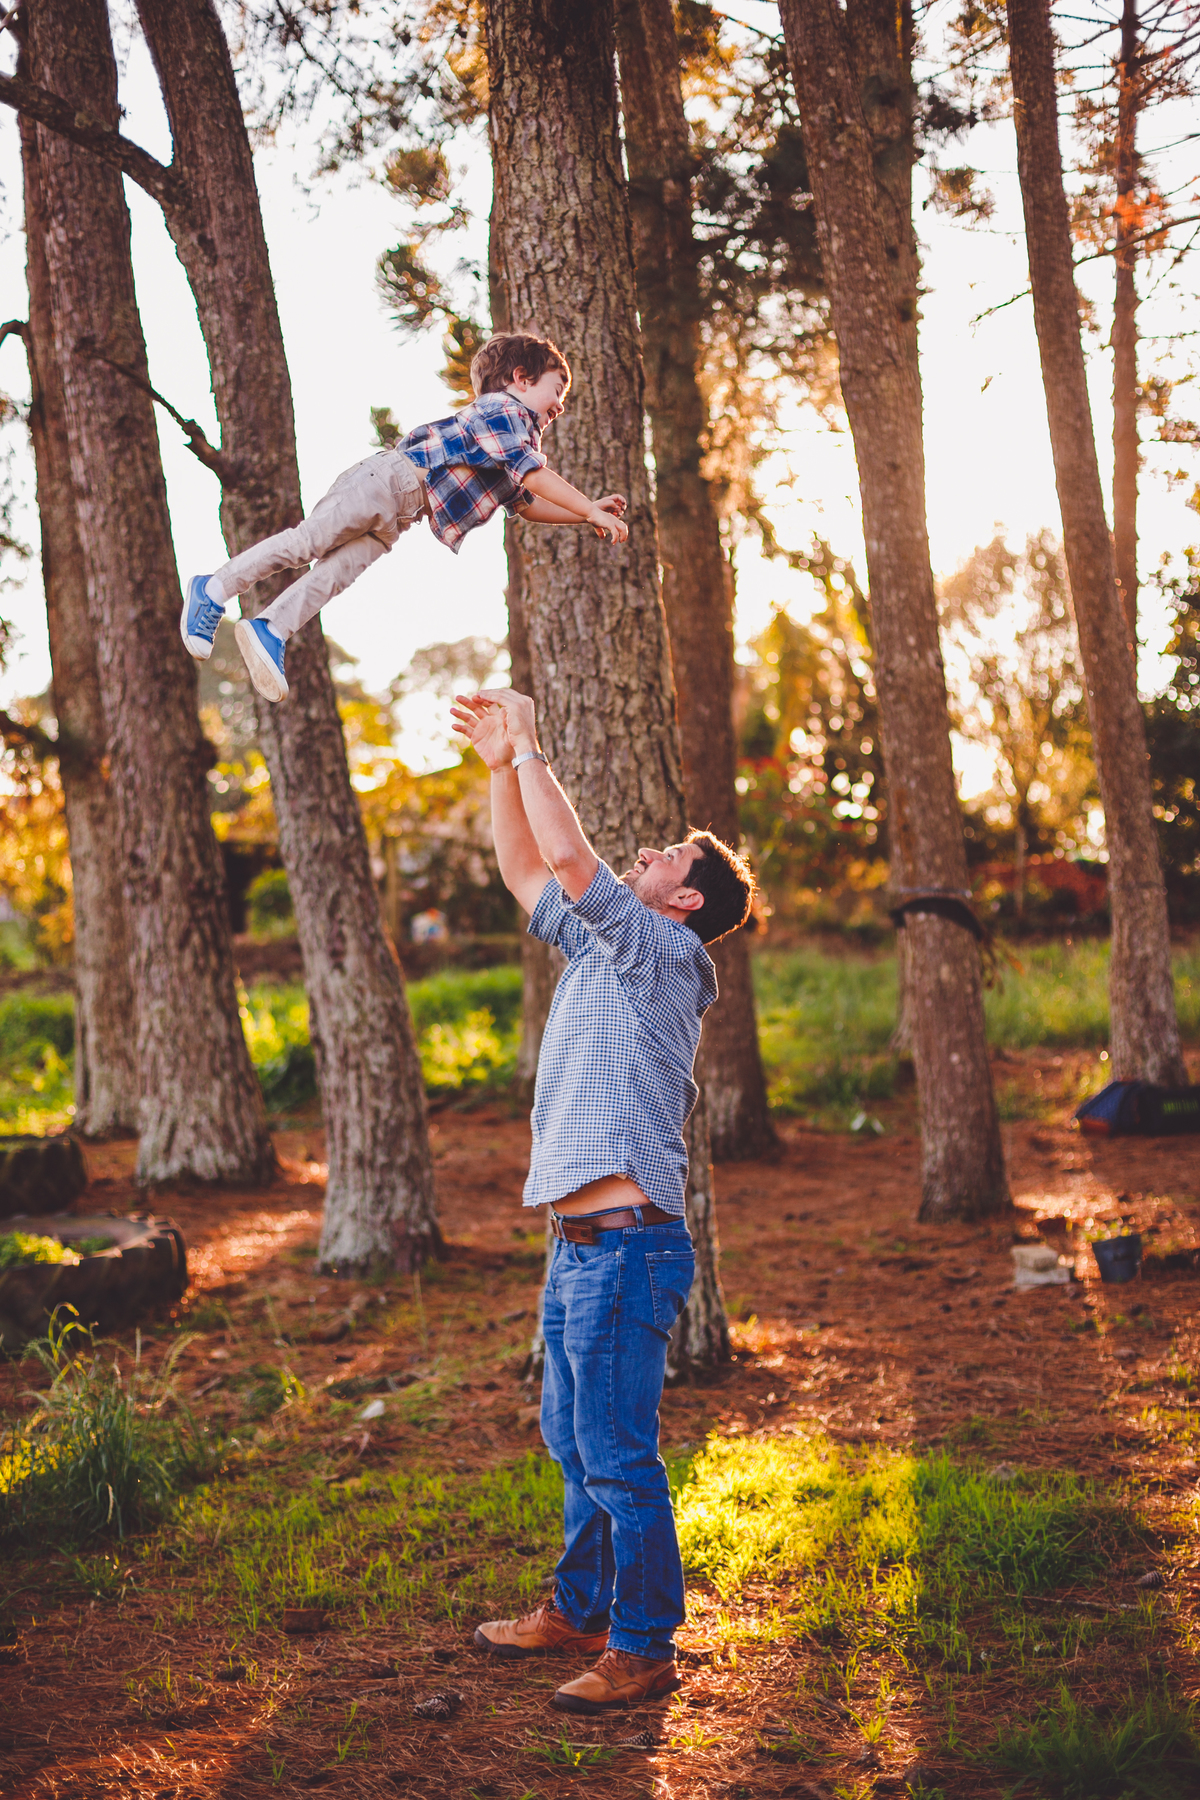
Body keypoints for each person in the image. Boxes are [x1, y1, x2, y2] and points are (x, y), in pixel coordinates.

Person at [449, 686, 755, 1716]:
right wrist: (501, 767)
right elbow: (526, 870)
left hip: (628, 1250)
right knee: (576, 1447)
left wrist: (533, 741)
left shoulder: (668, 956)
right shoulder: (602, 947)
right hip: (578, 1247)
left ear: (685, 903)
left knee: (621, 1459)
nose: (650, 852)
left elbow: (573, 861)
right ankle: (580, 1610)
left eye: (670, 856)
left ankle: (644, 1644)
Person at [179, 333, 627, 704]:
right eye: (557, 390)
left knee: (334, 576)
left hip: (399, 516)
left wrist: (583, 516)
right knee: (306, 543)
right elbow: (534, 474)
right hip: (385, 482)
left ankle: (271, 629)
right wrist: (587, 506)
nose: (560, 406)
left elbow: (527, 503)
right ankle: (213, 589)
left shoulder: (514, 442)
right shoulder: (502, 411)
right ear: (521, 379)